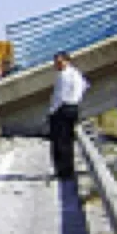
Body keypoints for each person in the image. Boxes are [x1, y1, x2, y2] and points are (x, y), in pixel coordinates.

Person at [47, 51, 88, 180]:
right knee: (61, 141)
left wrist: (70, 101)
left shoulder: (69, 74)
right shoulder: (66, 74)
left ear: (67, 61)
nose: (57, 65)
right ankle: (62, 169)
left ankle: (65, 170)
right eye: (56, 63)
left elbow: (62, 95)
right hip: (64, 108)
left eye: (59, 62)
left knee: (63, 141)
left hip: (65, 108)